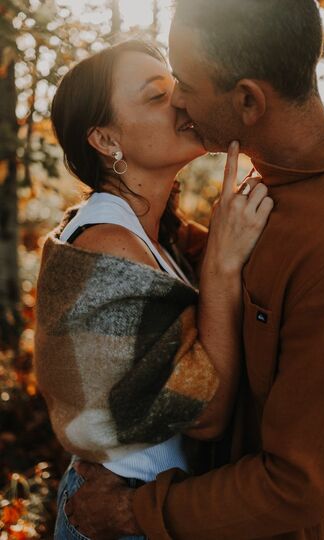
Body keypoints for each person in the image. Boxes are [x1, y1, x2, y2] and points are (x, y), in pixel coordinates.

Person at [66, 0, 324, 539]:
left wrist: (131, 512)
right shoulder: (261, 186)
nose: (178, 100)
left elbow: (296, 486)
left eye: (184, 82)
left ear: (248, 100)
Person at [34, 39, 273, 540]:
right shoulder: (107, 247)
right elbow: (205, 415)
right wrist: (223, 269)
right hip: (120, 517)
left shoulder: (150, 232)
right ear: (105, 139)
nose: (182, 101)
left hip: (148, 505)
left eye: (177, 88)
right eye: (155, 96)